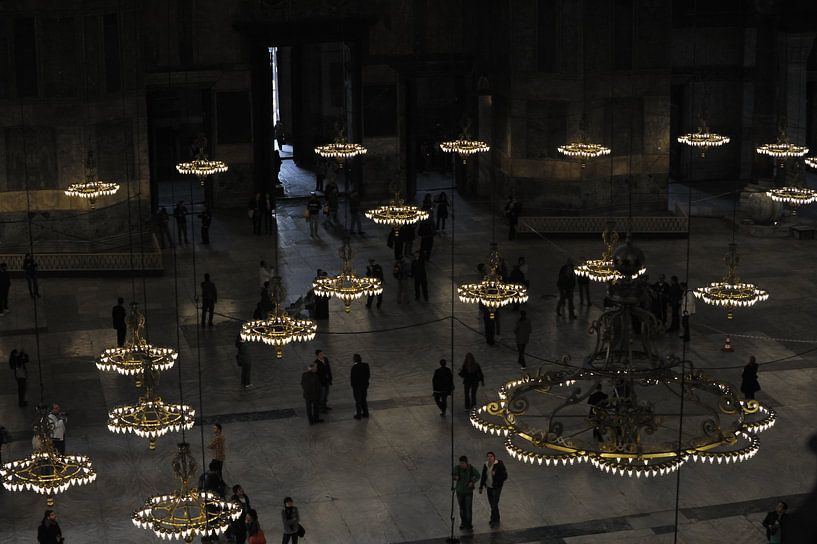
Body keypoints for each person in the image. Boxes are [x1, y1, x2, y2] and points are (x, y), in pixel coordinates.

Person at [479, 451, 508, 527]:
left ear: (494, 457)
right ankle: (497, 517)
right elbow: (483, 476)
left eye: (491, 456)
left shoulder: (499, 465)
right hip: (489, 486)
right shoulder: (486, 465)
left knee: (494, 503)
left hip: (496, 487)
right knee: (492, 503)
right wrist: (481, 487)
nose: (489, 458)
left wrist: (496, 475)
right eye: (488, 456)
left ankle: (492, 519)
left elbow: (505, 476)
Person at [452, 455, 480, 532]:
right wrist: (455, 477)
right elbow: (452, 475)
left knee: (468, 508)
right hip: (459, 491)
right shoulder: (457, 468)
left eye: (463, 463)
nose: (461, 465)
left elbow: (478, 475)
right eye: (460, 463)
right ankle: (463, 523)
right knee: (462, 508)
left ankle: (469, 524)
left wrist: (472, 482)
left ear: (466, 463)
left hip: (468, 492)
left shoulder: (471, 468)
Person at [350, 353, 370, 419]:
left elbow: (352, 378)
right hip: (364, 386)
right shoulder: (366, 365)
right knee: (364, 399)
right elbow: (368, 375)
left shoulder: (354, 368)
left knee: (358, 401)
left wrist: (353, 386)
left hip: (357, 388)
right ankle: (366, 413)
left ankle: (358, 415)